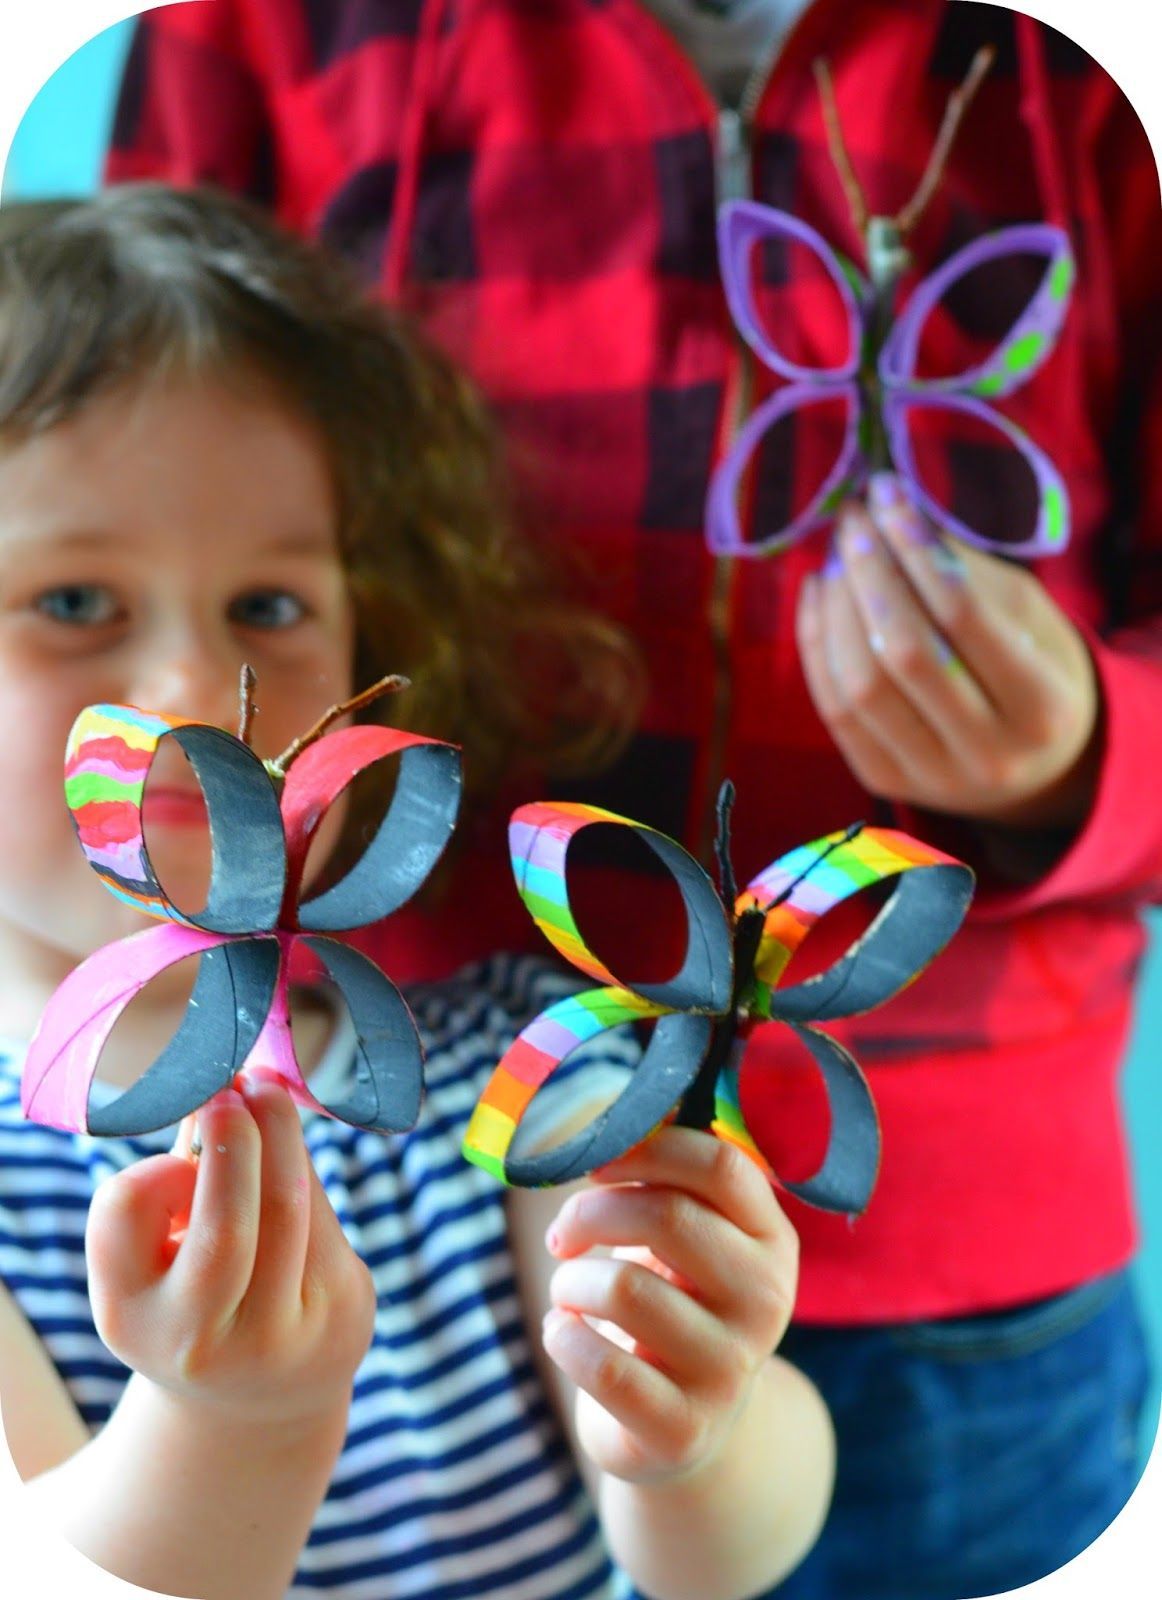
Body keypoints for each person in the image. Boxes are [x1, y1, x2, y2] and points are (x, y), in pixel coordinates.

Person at [106, 2, 1161, 1597]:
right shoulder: (254, 29)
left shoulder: (1076, 86)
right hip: (397, 1219)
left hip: (966, 1284)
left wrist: (1088, 752)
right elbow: (124, 499)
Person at [0, 184, 835, 1600]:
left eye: (269, 608)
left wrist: (700, 1424)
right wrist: (227, 1420)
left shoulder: (523, 1068)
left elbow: (713, 1561)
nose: (199, 697)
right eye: (75, 603)